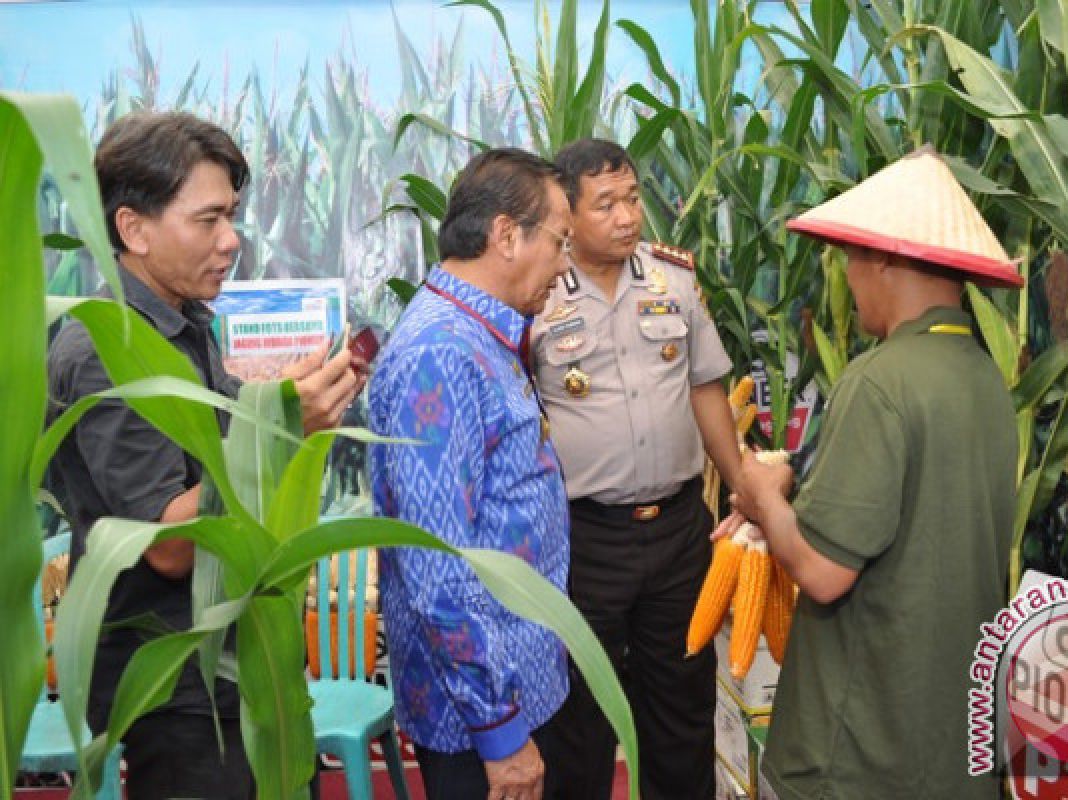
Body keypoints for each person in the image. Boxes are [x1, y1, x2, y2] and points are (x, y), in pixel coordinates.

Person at [46, 111, 365, 799]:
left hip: (233, 663)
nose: (232, 241)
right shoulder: (109, 348)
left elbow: (214, 460)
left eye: (235, 216)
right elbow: (169, 539)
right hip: (180, 682)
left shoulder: (186, 324)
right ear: (134, 229)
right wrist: (284, 429)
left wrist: (280, 406)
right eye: (209, 219)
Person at [728, 147, 1022, 799]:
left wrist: (763, 493)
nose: (850, 277)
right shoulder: (983, 377)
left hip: (864, 749)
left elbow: (825, 574)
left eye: (851, 259)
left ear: (883, 257)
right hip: (949, 744)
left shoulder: (882, 380)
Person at [530, 138, 743, 800]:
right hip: (582, 538)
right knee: (580, 721)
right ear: (567, 209)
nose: (627, 217)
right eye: (606, 205)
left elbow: (707, 386)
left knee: (680, 715)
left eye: (632, 198)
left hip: (678, 532)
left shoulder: (673, 279)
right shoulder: (537, 294)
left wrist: (740, 485)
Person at [368, 147, 573, 800]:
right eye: (560, 243)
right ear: (507, 235)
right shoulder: (439, 354)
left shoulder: (478, 333)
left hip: (518, 680)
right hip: (481, 721)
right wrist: (502, 732)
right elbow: (439, 571)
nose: (565, 267)